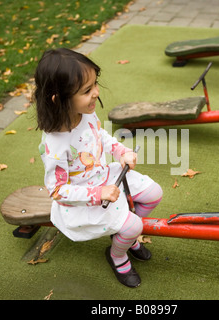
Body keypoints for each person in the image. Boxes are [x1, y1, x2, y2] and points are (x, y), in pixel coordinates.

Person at [34, 48, 163, 288]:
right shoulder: (54, 144)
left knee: (154, 194)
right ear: (58, 99)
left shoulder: (85, 114)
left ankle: (124, 236)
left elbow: (100, 136)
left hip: (105, 177)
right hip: (83, 200)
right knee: (134, 224)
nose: (96, 93)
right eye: (86, 90)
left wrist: (120, 151)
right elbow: (57, 191)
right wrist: (97, 194)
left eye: (95, 84)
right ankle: (118, 255)